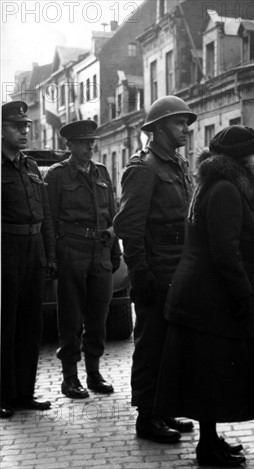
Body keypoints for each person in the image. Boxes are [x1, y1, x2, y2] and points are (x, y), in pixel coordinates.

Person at [154, 125, 254, 467]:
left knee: (211, 374)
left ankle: (211, 439)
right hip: (212, 299)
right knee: (211, 374)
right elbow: (225, 252)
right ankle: (207, 448)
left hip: (205, 298)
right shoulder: (225, 190)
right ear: (241, 157)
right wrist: (243, 294)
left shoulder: (217, 183)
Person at [113, 95, 196, 443]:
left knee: (173, 343)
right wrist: (140, 272)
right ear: (158, 128)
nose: (185, 130)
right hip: (157, 269)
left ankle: (164, 408)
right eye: (179, 123)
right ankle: (147, 417)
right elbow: (129, 226)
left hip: (179, 265)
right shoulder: (143, 168)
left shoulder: (176, 164)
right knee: (151, 344)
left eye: (186, 124)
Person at [45, 120, 121, 399]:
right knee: (71, 317)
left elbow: (112, 213)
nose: (90, 146)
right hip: (71, 250)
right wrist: (53, 258)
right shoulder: (57, 175)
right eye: (83, 143)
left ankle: (93, 373)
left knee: (99, 316)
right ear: (70, 146)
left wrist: (115, 250)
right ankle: (70, 378)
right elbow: (49, 220)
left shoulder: (101, 172)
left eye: (92, 142)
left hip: (100, 250)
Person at [1, 101, 56, 419]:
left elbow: (45, 214)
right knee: (4, 323)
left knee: (30, 324)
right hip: (6, 249)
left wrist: (49, 255)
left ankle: (24, 392)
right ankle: (3, 394)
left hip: (33, 248)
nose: (23, 131)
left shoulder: (31, 167)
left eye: (25, 126)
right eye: (15, 126)